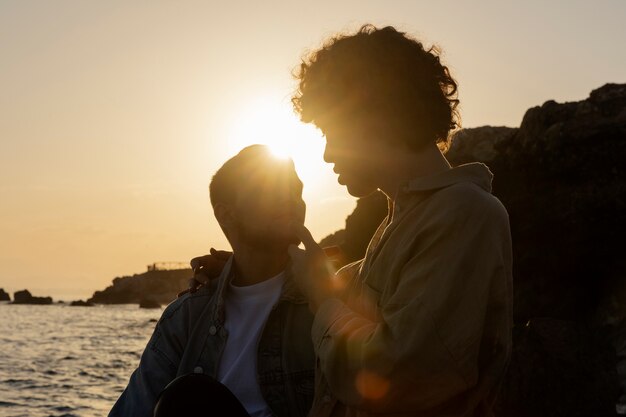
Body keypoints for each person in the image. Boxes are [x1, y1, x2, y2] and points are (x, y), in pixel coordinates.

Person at [283, 24, 514, 417]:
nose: (325, 155)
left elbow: (396, 374)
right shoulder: (401, 222)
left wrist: (322, 302)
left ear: (377, 115)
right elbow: (357, 294)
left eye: (331, 130)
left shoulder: (464, 214)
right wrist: (247, 270)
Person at [108, 144, 316, 417]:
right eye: (270, 189)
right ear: (226, 214)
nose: (291, 198)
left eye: (296, 190)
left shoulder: (330, 297)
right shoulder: (187, 317)